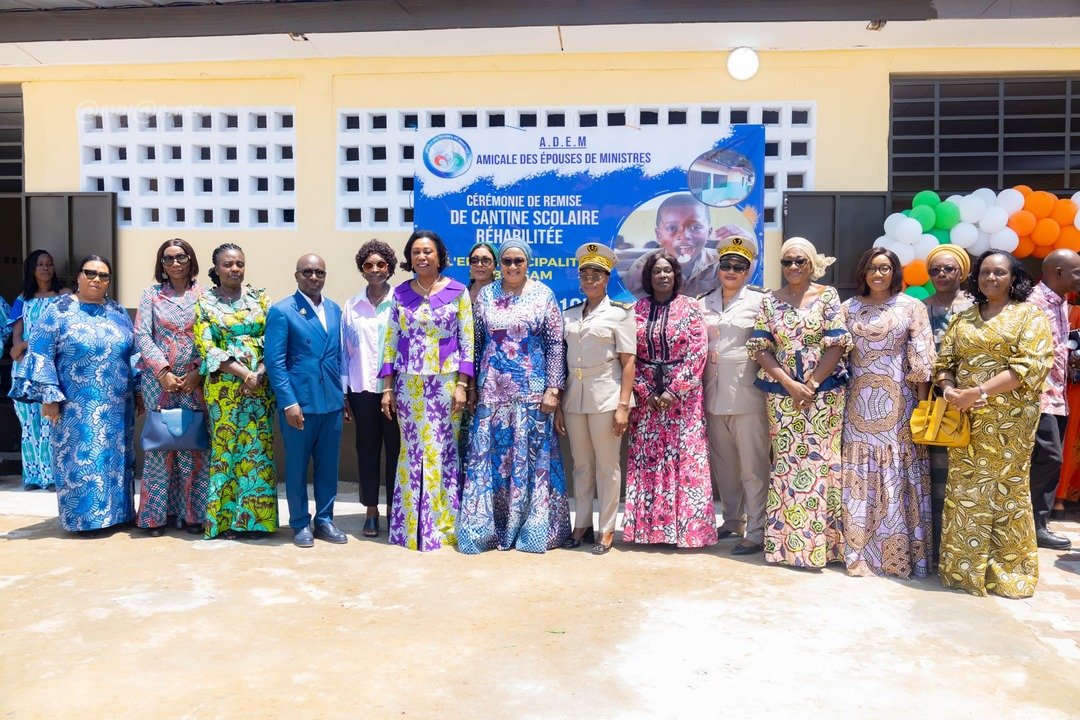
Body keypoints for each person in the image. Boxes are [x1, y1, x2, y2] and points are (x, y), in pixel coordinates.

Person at [935, 250, 1052, 598]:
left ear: (1014, 278)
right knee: (964, 490)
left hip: (1009, 422)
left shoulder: (1029, 316)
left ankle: (1007, 574)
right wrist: (950, 389)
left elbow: (1030, 366)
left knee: (1007, 490)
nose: (991, 279)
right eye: (985, 272)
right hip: (966, 419)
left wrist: (980, 390)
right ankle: (962, 572)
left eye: (999, 272)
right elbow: (945, 361)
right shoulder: (965, 317)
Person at [458, 238, 571, 553]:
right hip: (492, 394)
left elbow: (554, 344)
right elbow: (476, 344)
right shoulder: (486, 297)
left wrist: (553, 388)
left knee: (530, 459)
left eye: (517, 261)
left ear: (528, 263)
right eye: (506, 261)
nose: (511, 267)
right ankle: (488, 531)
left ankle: (532, 530)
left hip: (532, 394)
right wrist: (471, 387)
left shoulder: (543, 295)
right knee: (492, 460)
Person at [11, 255, 138, 534]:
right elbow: (41, 353)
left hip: (117, 405)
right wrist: (49, 396)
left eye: (103, 276)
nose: (96, 279)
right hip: (74, 405)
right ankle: (84, 521)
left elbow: (133, 352)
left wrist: (138, 389)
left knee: (115, 461)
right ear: (79, 276)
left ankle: (118, 514)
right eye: (90, 273)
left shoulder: (116, 311)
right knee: (81, 460)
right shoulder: (58, 309)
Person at [747, 237, 850, 569]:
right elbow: (760, 347)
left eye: (799, 261)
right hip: (782, 395)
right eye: (787, 262)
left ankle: (824, 547)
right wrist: (790, 383)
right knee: (787, 463)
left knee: (822, 463)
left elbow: (837, 344)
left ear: (811, 264)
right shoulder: (769, 301)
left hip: (824, 393)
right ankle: (784, 546)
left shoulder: (828, 296)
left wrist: (812, 384)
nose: (792, 267)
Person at [840, 248, 935, 579]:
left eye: (884, 268)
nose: (877, 274)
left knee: (895, 467)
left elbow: (922, 361)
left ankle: (893, 555)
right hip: (855, 401)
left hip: (899, 401)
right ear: (862, 272)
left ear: (895, 272)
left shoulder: (912, 307)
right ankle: (855, 551)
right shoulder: (847, 308)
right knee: (857, 471)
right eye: (871, 268)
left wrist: (922, 408)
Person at [380, 230, 474, 551]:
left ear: (440, 256)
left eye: (428, 252)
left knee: (441, 450)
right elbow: (391, 342)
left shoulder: (458, 292)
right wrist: (388, 388)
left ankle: (442, 528)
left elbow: (467, 343)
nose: (422, 257)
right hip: (408, 385)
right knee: (411, 451)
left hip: (445, 384)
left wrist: (463, 385)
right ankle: (409, 529)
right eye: (416, 252)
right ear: (410, 257)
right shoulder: (400, 294)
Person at [622, 250, 716, 548]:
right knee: (649, 462)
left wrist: (674, 390)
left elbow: (698, 353)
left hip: (683, 402)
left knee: (685, 462)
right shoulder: (635, 311)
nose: (662, 276)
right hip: (647, 401)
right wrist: (646, 391)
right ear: (648, 278)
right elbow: (627, 357)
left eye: (668, 271)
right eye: (656, 272)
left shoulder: (690, 308)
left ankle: (688, 531)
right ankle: (649, 531)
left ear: (676, 276)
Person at [554, 243, 635, 555]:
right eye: (585, 274)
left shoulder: (619, 314)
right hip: (575, 396)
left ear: (607, 277)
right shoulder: (570, 315)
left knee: (607, 465)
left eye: (596, 274)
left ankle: (606, 529)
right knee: (582, 465)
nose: (590, 279)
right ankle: (582, 525)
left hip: (607, 396)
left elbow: (628, 361)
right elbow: (560, 360)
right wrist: (560, 403)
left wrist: (623, 406)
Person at [194, 243, 278, 539]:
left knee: (257, 450)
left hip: (260, 389)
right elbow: (207, 346)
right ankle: (226, 521)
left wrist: (259, 374)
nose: (235, 269)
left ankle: (257, 521)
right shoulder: (205, 303)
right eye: (228, 264)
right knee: (227, 451)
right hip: (224, 391)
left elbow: (275, 338)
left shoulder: (261, 298)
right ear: (216, 268)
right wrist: (245, 373)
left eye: (240, 263)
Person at [265, 254, 347, 548]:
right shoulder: (282, 311)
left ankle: (325, 519)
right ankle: (300, 522)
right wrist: (288, 402)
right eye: (308, 272)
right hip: (300, 403)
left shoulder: (335, 309)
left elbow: (338, 356)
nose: (314, 277)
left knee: (328, 466)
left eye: (320, 272)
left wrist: (344, 396)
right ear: (296, 275)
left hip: (332, 402)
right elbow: (275, 362)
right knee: (297, 466)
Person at [699, 235, 769, 556]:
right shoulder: (703, 302)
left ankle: (756, 529)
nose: (731, 270)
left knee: (752, 467)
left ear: (748, 271)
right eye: (725, 265)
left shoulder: (760, 302)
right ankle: (731, 520)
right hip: (712, 397)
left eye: (738, 266)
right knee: (724, 466)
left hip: (747, 396)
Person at [133, 239, 209, 537]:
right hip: (158, 383)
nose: (175, 263)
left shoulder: (205, 295)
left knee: (192, 447)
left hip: (193, 383)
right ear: (160, 264)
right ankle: (154, 516)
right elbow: (142, 334)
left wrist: (198, 371)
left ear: (191, 260)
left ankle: (192, 515)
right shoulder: (150, 295)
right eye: (168, 259)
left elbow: (212, 335)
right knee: (160, 447)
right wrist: (162, 370)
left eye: (181, 257)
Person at [342, 240, 399, 539]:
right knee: (366, 449)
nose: (375, 270)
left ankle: (395, 511)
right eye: (368, 265)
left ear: (389, 267)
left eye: (381, 264)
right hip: (362, 389)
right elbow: (343, 353)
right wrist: (344, 393)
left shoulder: (402, 301)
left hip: (396, 391)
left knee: (396, 450)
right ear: (362, 269)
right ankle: (371, 511)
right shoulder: (352, 306)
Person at [1025, 248, 1080, 551]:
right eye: (1077, 272)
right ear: (1058, 273)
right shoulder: (1033, 304)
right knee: (1048, 459)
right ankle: (1030, 523)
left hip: (1058, 395)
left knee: (1050, 463)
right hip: (1038, 397)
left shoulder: (1060, 303)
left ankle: (1038, 525)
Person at [921, 244, 974, 560]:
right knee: (936, 474)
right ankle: (937, 549)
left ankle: (964, 547)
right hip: (935, 402)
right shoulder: (919, 307)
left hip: (974, 400)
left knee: (966, 476)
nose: (941, 275)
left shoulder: (974, 308)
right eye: (935, 270)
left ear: (962, 272)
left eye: (948, 269)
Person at [7, 250, 66, 491]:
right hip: (24, 368)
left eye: (49, 264)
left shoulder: (64, 296)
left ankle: (53, 476)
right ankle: (33, 475)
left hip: (51, 366)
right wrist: (18, 346)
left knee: (50, 421)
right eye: (40, 264)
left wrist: (31, 344)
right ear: (31, 269)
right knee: (29, 422)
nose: (45, 268)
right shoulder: (23, 298)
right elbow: (16, 332)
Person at [622, 194, 721, 299]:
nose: (684, 236)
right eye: (671, 228)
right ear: (658, 235)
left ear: (709, 233)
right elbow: (624, 300)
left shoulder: (721, 262)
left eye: (696, 227)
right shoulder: (645, 264)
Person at [462, 242, 498, 465]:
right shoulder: (460, 295)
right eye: (474, 260)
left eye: (486, 260)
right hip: (459, 378)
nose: (480, 265)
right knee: (461, 437)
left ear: (495, 264)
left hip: (491, 379)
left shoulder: (501, 296)